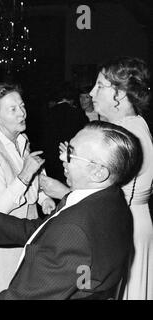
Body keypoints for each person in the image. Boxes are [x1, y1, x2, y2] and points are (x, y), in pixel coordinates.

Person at [0, 121, 141, 299]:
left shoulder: (73, 228)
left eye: (71, 154)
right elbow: (48, 232)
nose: (62, 158)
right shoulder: (111, 199)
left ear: (98, 172)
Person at [0, 83, 55, 300]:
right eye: (13, 109)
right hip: (2, 244)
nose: (22, 112)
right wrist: (24, 176)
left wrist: (44, 198)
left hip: (27, 235)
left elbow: (37, 174)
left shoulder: (22, 141)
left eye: (22, 105)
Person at [89, 56, 153, 300]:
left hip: (125, 225)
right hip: (133, 221)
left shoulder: (126, 133)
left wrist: (58, 189)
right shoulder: (135, 124)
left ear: (121, 93)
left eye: (100, 86)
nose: (92, 92)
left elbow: (103, 192)